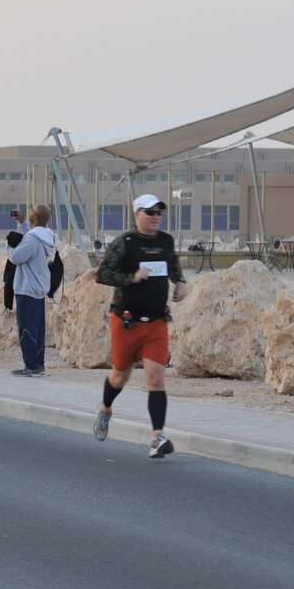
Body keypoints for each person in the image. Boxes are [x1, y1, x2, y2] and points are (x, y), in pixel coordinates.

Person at [93, 194, 188, 459]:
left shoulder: (165, 241)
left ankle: (158, 437)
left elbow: (173, 267)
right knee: (120, 376)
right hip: (127, 322)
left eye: (159, 212)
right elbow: (101, 274)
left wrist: (180, 283)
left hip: (156, 322)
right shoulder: (126, 243)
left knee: (156, 377)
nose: (156, 217)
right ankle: (105, 409)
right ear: (137, 214)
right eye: (150, 212)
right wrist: (131, 278)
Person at [6, 205, 57, 376]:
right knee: (38, 329)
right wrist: (22, 223)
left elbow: (16, 257)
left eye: (32, 212)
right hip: (38, 287)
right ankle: (39, 364)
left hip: (27, 288)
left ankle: (31, 365)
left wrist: (9, 245)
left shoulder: (32, 239)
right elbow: (31, 237)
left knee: (27, 328)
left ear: (35, 217)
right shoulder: (46, 236)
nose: (29, 213)